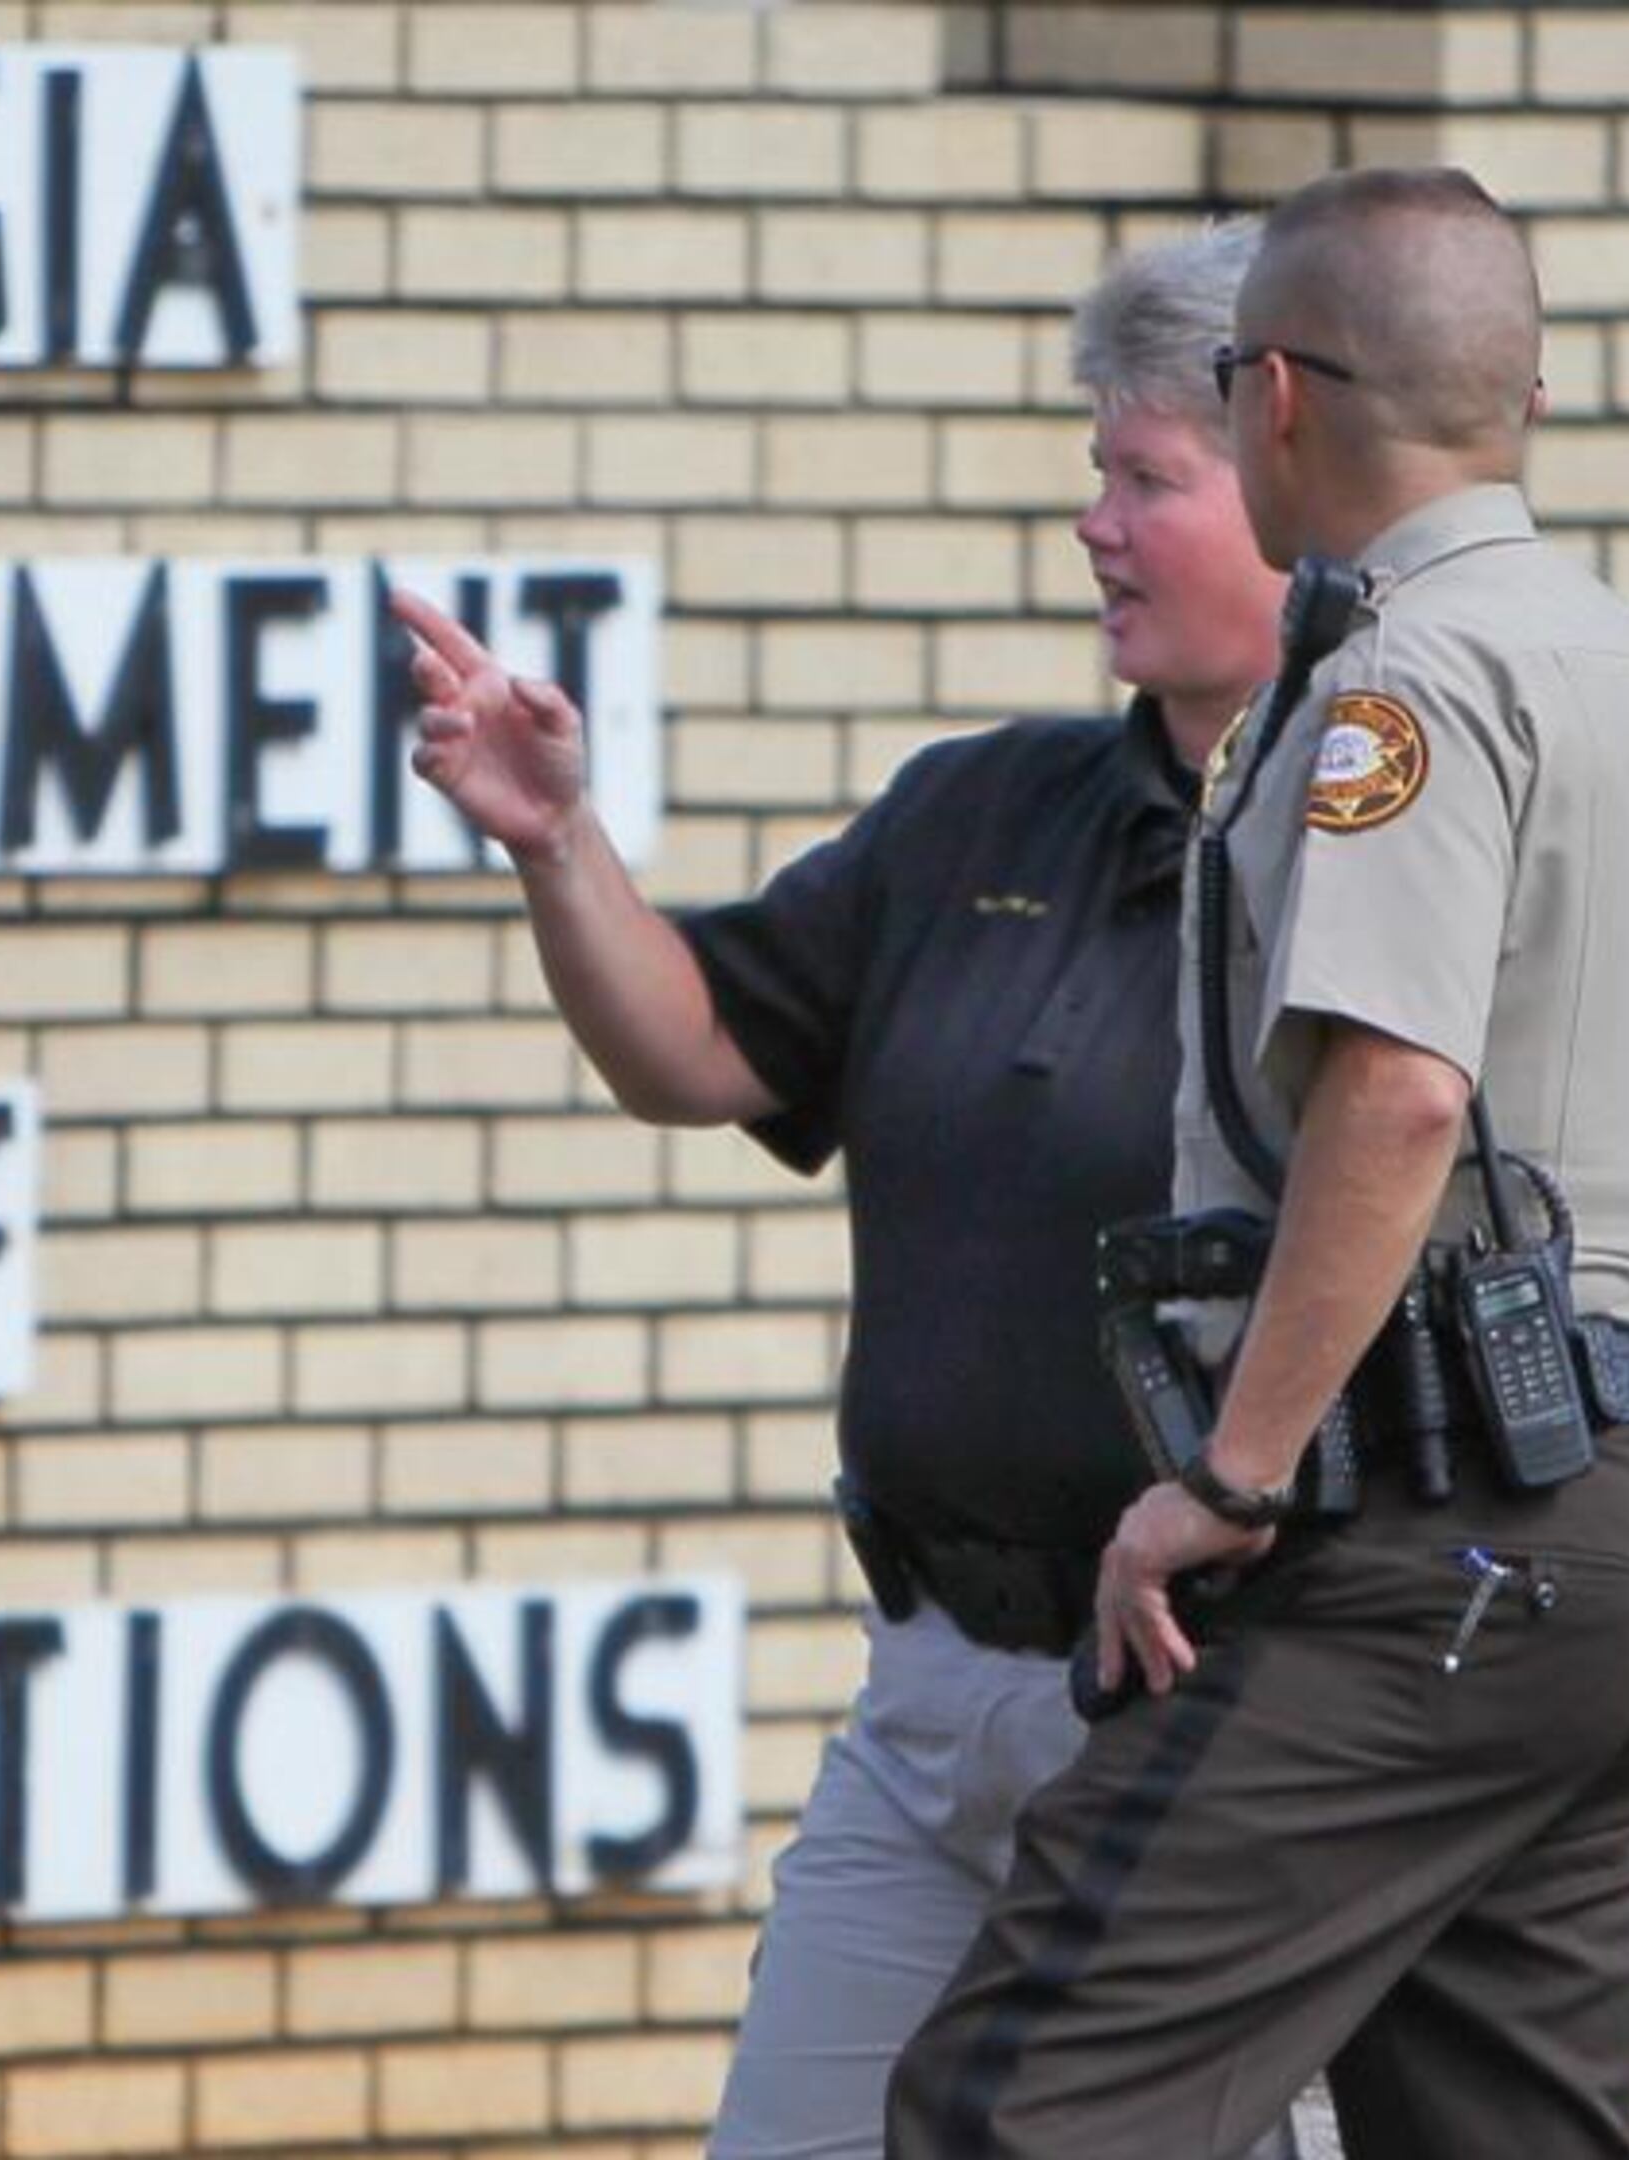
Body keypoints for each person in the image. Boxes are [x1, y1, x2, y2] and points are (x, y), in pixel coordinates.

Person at [883, 167, 1629, 2159]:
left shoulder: (1391, 689)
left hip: (1422, 1546)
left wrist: (1232, 1468)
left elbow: (1400, 1091)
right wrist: (1614, 1268)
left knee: (1021, 2101)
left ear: (1276, 395)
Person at [399, 225, 1326, 2160]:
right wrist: (557, 844)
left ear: (1292, 491)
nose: (1094, 524)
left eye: (1142, 478)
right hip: (933, 1703)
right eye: (1098, 472)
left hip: (1225, 1730)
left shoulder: (1391, 834)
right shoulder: (979, 808)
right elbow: (695, 1056)